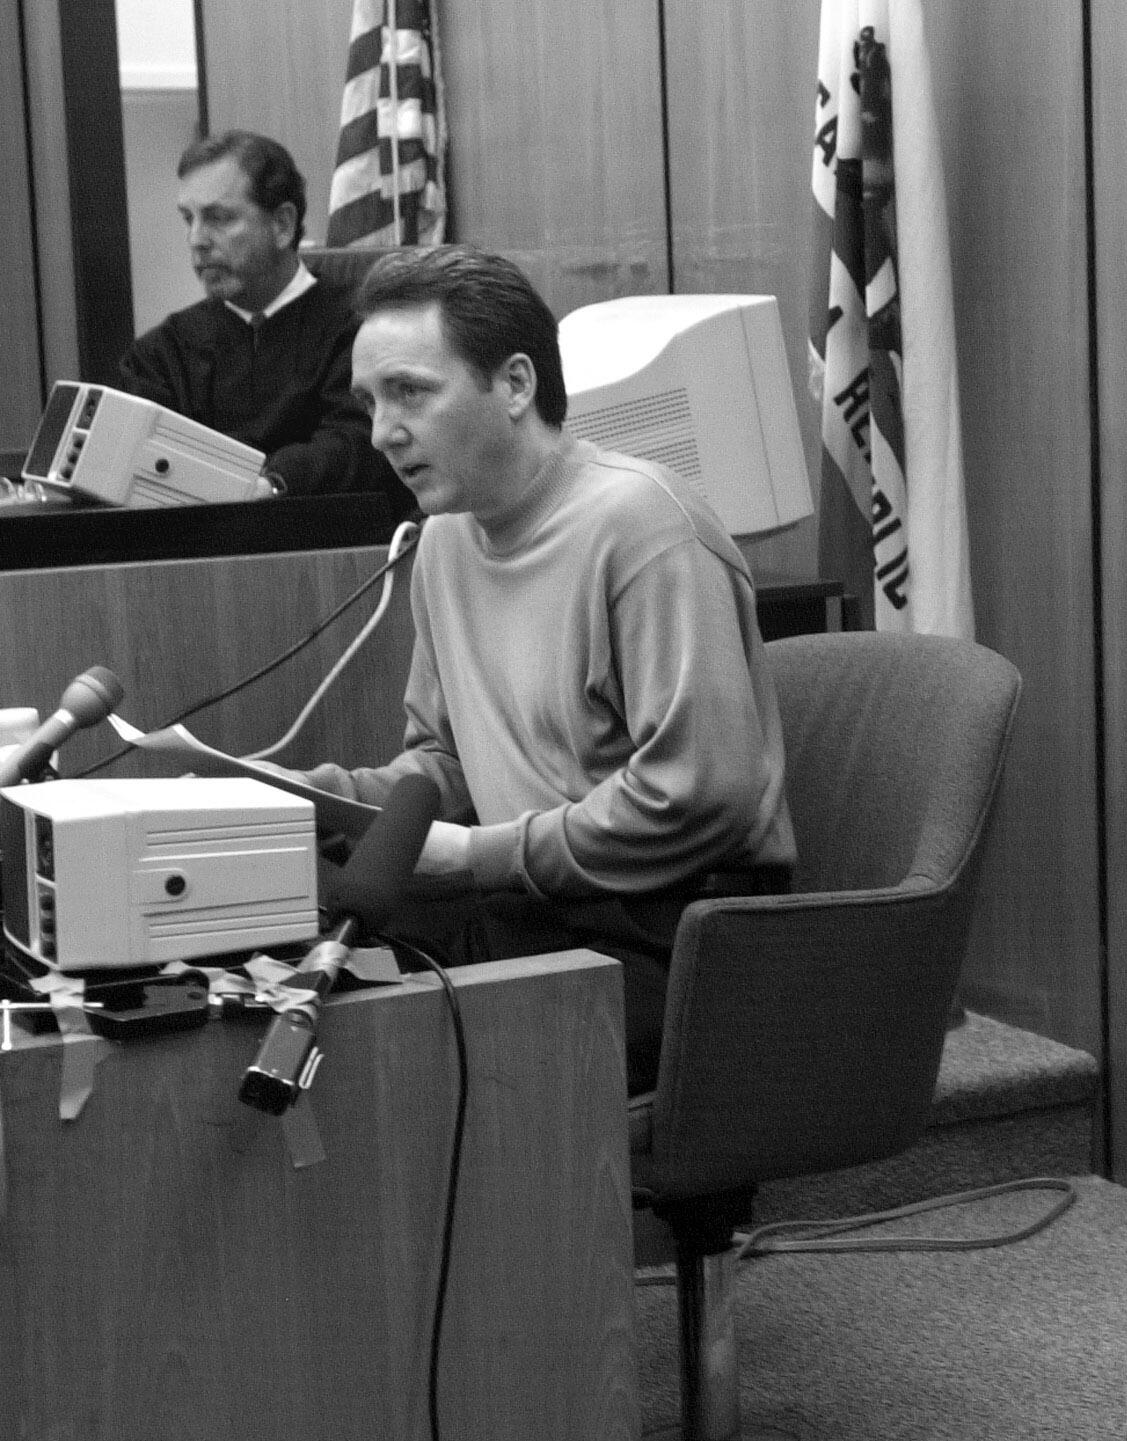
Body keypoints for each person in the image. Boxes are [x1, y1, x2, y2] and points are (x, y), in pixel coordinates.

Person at [289, 244, 796, 1093]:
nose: (382, 433)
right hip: (531, 904)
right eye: (370, 403)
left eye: (410, 392)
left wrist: (478, 855)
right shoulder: (446, 536)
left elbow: (701, 795)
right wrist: (309, 796)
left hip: (672, 935)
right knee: (287, 960)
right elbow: (446, 764)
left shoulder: (645, 527)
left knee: (390, 1044)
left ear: (516, 384)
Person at [117, 130, 409, 507]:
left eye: (218, 218)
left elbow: (363, 442)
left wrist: (272, 483)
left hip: (331, 543)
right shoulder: (162, 351)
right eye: (188, 219)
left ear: (282, 225)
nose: (196, 239)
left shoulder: (364, 328)